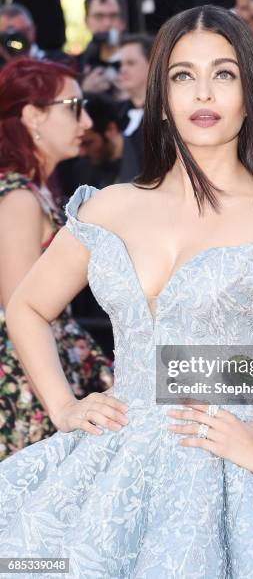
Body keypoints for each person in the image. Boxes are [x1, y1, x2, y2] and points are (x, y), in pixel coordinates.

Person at [1, 6, 253, 576]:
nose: (202, 93)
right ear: (161, 94)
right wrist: (64, 407)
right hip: (111, 459)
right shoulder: (109, 207)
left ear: (250, 91)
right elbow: (26, 306)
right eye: (182, 75)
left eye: (224, 73)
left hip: (235, 466)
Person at [0, 58, 114, 461]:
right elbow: (21, 308)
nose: (86, 123)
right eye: (73, 107)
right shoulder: (17, 198)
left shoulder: (33, 191)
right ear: (33, 116)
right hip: (27, 388)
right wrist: (60, 403)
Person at [116, 33, 154, 183]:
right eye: (121, 64)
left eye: (130, 63)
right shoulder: (116, 113)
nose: (122, 70)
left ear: (153, 63)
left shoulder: (169, 114)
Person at [78, 0, 126, 96]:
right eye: (99, 16)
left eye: (113, 16)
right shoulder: (76, 66)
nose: (107, 23)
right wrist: (84, 91)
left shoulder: (140, 60)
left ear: (123, 22)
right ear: (86, 22)